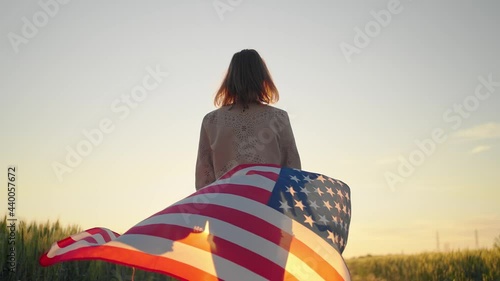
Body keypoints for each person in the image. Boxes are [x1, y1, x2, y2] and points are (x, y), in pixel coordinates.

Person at [195, 49, 301, 190]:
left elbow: (204, 180)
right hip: (268, 205)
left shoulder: (211, 120)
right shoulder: (278, 118)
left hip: (225, 204)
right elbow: (293, 171)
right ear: (263, 78)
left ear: (230, 79)